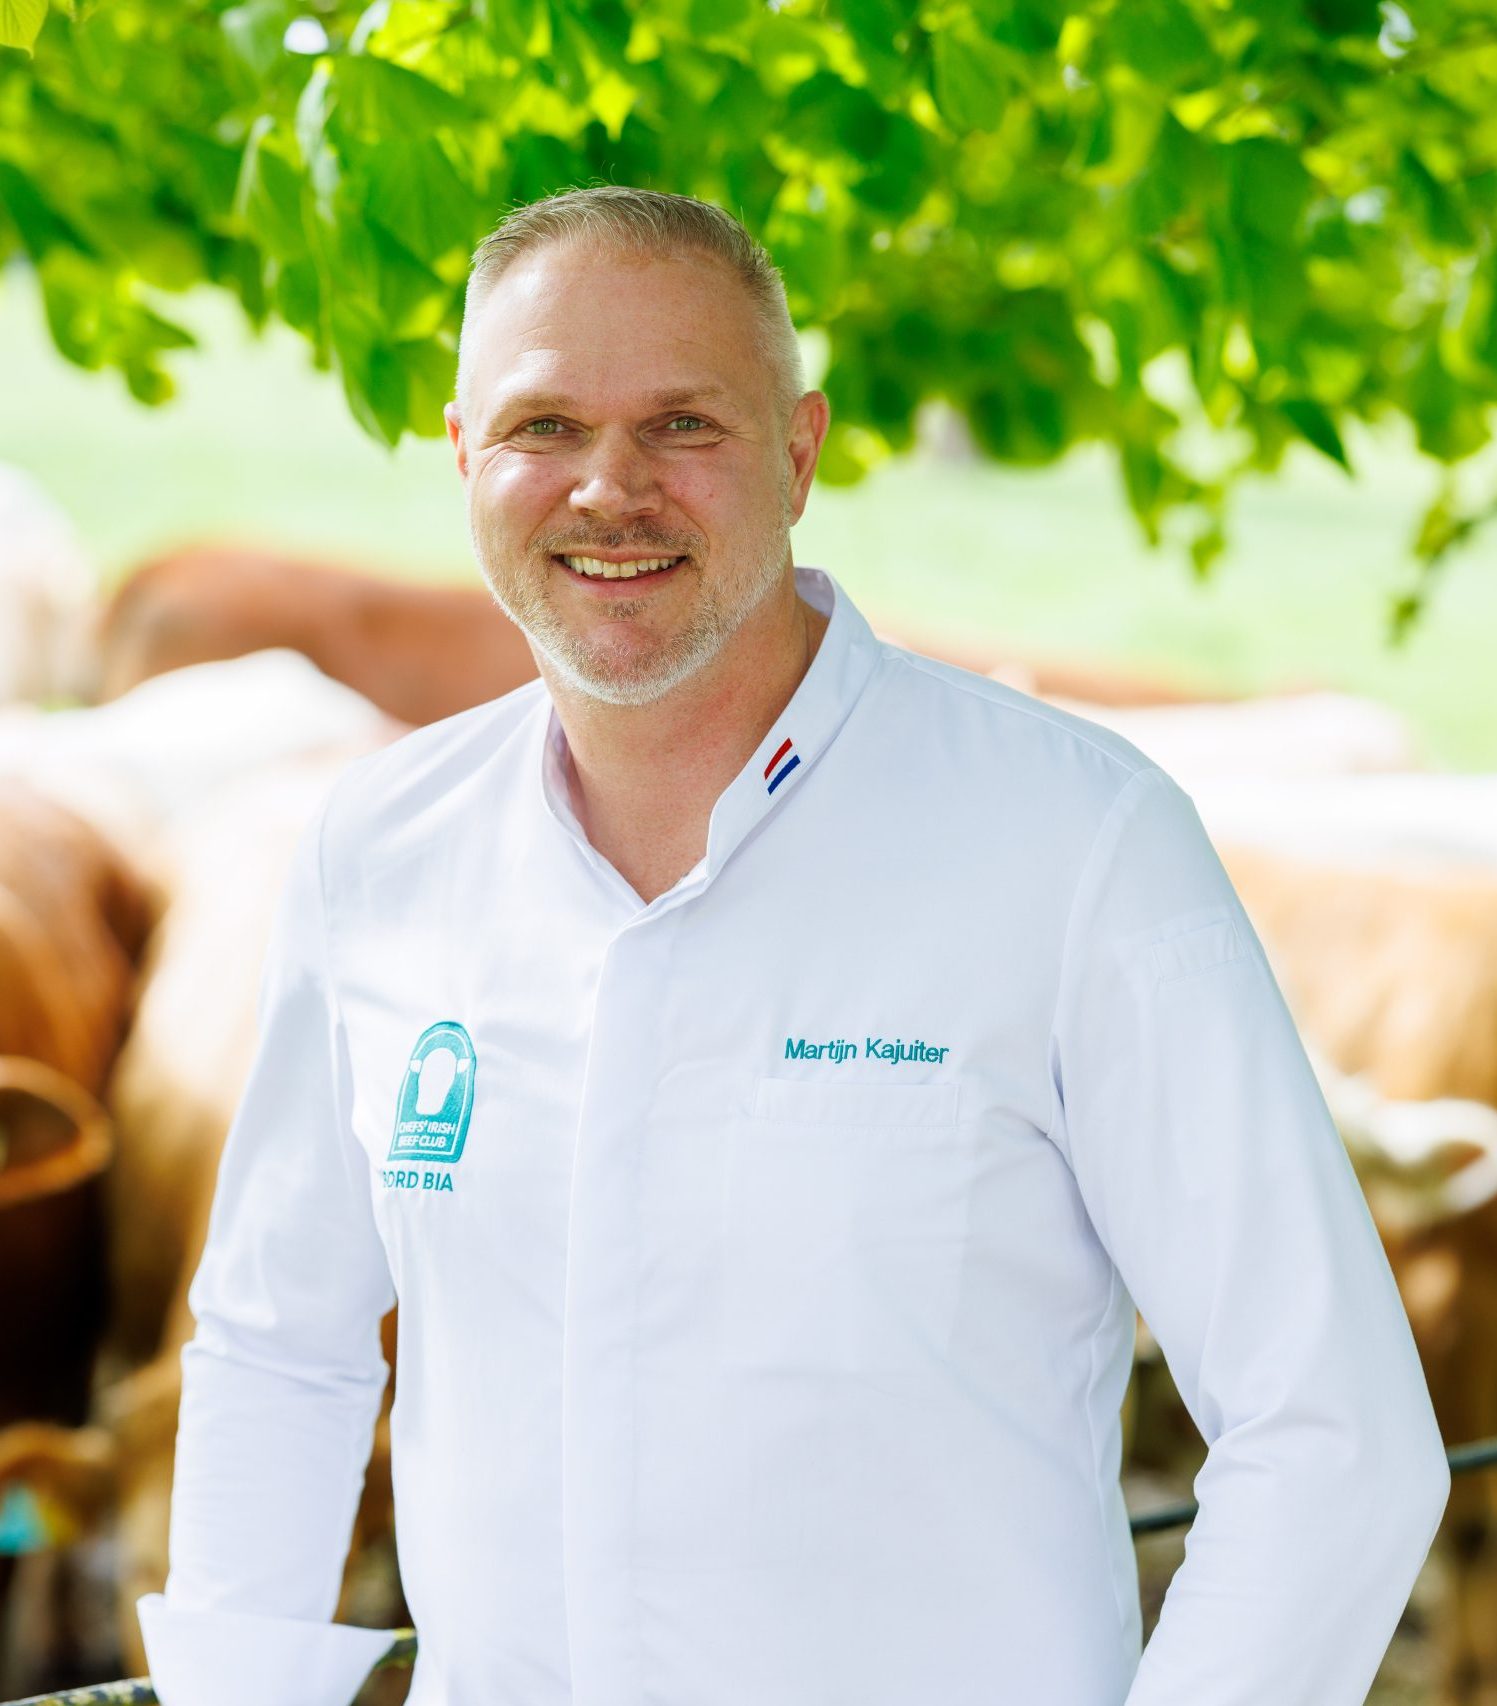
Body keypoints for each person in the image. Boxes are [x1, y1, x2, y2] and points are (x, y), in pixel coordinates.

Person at [137, 185, 1449, 1706]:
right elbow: (278, 1347)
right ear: (461, 457)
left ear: (800, 451)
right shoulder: (378, 853)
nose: (604, 487)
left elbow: (1331, 1432)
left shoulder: (1077, 847)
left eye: (681, 424)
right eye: (541, 426)